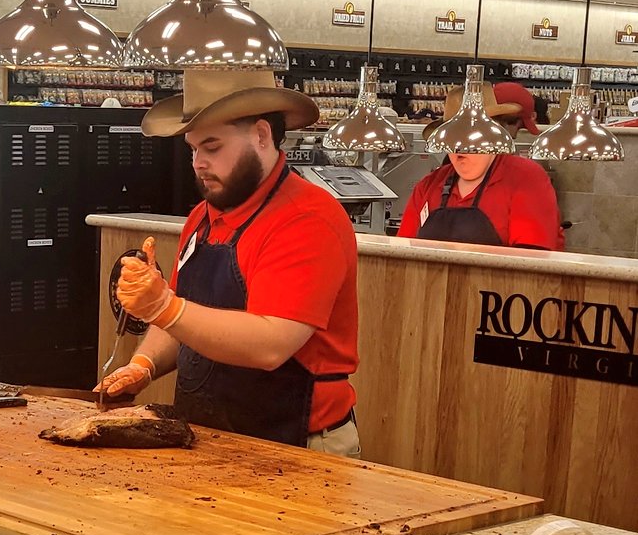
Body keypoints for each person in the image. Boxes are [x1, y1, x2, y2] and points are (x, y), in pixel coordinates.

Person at [97, 68, 361, 455]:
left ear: (261, 135)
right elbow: (186, 322)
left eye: (213, 147)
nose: (198, 163)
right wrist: (144, 364)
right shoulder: (201, 218)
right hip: (211, 437)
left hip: (298, 446)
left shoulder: (307, 219)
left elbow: (270, 344)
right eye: (193, 150)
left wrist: (164, 306)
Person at [399, 82, 563, 250]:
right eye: (453, 136)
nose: (459, 146)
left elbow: (531, 262)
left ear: (493, 130)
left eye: (470, 135)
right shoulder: (428, 186)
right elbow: (403, 254)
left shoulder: (526, 178)